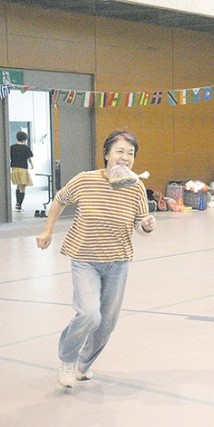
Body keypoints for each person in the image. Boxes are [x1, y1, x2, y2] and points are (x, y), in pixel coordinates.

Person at [35, 130, 156, 388]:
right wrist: (47, 231)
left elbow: (140, 224)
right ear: (106, 154)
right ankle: (68, 360)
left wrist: (146, 225)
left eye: (131, 153)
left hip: (118, 262)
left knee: (107, 322)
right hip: (85, 259)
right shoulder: (85, 180)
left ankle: (83, 364)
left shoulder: (136, 186)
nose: (125, 157)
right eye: (119, 151)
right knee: (90, 314)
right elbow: (59, 200)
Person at [10, 131, 34, 212]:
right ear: (25, 139)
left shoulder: (12, 147)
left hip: (14, 168)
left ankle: (17, 203)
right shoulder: (26, 148)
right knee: (22, 186)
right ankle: (19, 205)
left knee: (18, 185)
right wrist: (32, 165)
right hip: (23, 168)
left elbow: (10, 157)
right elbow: (29, 158)